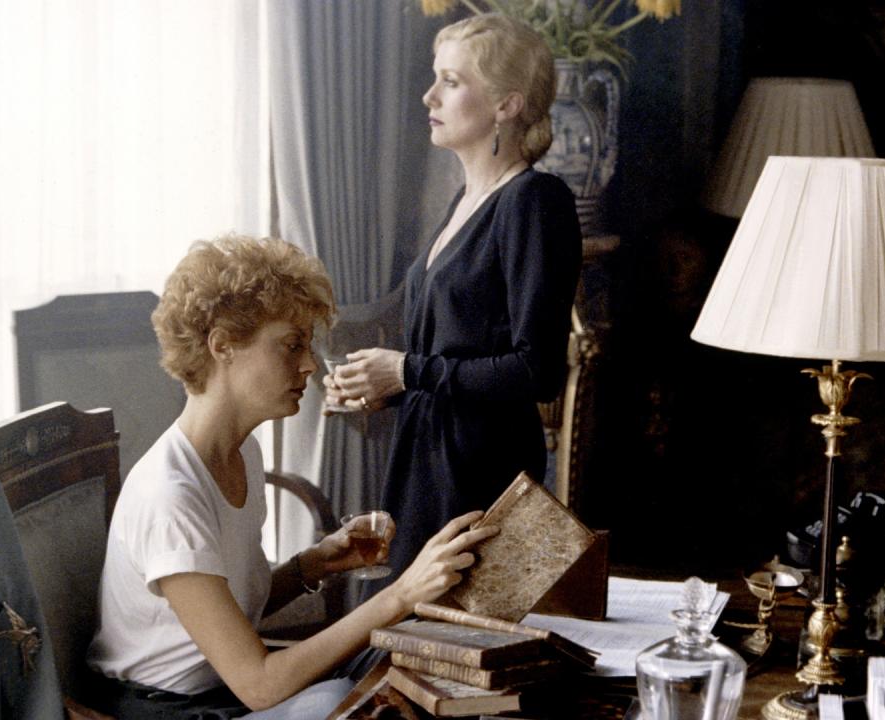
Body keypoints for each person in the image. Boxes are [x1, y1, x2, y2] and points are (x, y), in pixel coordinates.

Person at [85, 234, 498, 719]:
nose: (309, 365)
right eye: (291, 345)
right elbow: (259, 687)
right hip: (172, 711)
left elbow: (228, 610)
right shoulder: (170, 495)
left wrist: (314, 564)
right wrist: (403, 593)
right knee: (359, 695)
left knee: (410, 662)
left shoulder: (241, 453)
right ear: (222, 345)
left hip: (220, 691)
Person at [325, 14, 582, 581]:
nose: (429, 96)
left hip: (478, 468)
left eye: (451, 81)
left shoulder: (535, 201)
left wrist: (406, 371)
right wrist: (378, 387)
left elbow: (536, 371)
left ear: (507, 104)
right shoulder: (465, 202)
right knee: (408, 619)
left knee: (443, 622)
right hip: (426, 455)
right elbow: (453, 354)